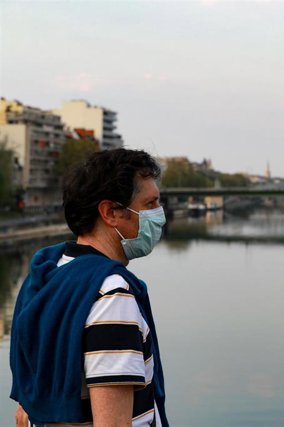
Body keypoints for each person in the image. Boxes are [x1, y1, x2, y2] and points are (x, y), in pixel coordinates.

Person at [10, 149, 169, 427]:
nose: (160, 215)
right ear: (110, 213)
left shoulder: (47, 275)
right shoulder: (110, 294)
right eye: (150, 203)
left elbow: (24, 411)